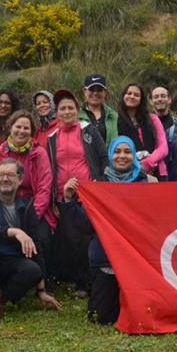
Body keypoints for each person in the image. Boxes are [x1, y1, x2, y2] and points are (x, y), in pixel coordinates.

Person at [61, 136, 156, 325]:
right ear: (111, 155)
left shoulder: (147, 183)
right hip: (106, 257)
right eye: (117, 152)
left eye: (127, 152)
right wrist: (69, 199)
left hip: (139, 257)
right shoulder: (99, 185)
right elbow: (85, 226)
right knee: (100, 317)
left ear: (134, 156)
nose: (122, 156)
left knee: (144, 313)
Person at [0, 159, 61, 322]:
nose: (5, 179)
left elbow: (36, 245)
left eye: (10, 175)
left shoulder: (26, 207)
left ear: (20, 180)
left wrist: (41, 290)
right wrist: (13, 231)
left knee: (33, 270)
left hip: (13, 262)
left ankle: (1, 299)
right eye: (1, 175)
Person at [47, 89, 108, 298]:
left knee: (88, 237)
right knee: (71, 239)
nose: (66, 112)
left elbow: (103, 157)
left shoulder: (88, 130)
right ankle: (78, 282)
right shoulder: (52, 137)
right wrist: (53, 197)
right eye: (62, 109)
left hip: (89, 194)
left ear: (77, 109)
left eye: (70, 108)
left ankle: (90, 282)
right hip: (65, 196)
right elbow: (50, 168)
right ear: (57, 113)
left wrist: (99, 184)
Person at [0, 110, 56, 230]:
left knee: (42, 237)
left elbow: (44, 188)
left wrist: (33, 216)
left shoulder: (39, 153)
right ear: (10, 128)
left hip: (32, 206)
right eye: (18, 126)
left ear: (31, 132)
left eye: (26, 128)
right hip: (5, 206)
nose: (22, 131)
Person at [116, 82, 168, 180]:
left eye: (136, 95)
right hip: (129, 174)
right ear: (123, 96)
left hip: (157, 172)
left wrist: (148, 163)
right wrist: (137, 166)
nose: (132, 96)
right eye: (129, 93)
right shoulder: (116, 120)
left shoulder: (152, 119)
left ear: (141, 99)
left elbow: (163, 147)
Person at [78, 74, 118, 144]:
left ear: (105, 92)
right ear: (84, 91)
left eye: (99, 90)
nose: (95, 93)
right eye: (91, 89)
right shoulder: (76, 116)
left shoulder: (114, 116)